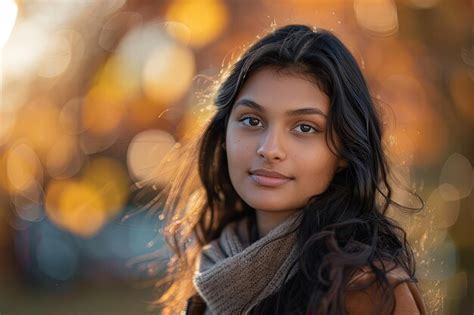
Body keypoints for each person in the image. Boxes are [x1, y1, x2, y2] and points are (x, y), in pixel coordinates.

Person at [153, 24, 427, 314]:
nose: (269, 149)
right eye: (251, 121)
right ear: (223, 134)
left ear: (345, 151)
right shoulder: (212, 270)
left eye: (304, 127)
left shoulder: (368, 293)